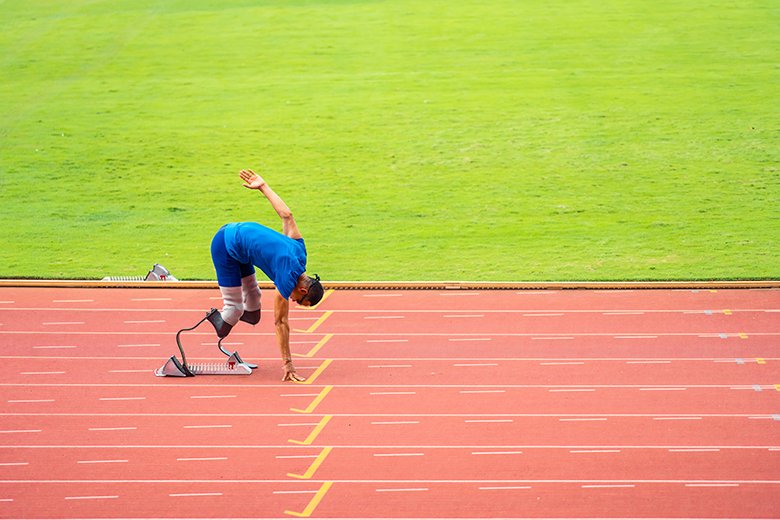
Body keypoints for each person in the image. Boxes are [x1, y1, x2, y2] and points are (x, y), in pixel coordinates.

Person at [208, 169, 324, 382]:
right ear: (303, 290)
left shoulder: (300, 253)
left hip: (241, 249)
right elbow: (281, 323)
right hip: (224, 244)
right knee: (233, 311)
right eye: (300, 301)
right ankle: (215, 317)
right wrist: (288, 364)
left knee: (253, 314)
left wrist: (263, 186)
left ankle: (228, 314)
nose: (293, 301)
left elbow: (287, 215)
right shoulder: (287, 279)